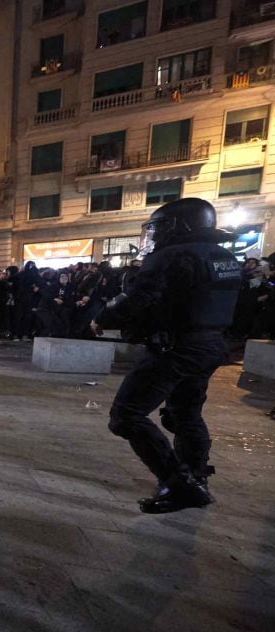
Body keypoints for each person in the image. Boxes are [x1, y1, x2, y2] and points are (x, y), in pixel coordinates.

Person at [92, 198, 240, 514]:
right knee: (186, 413)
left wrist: (102, 318)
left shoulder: (173, 256)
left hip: (176, 347)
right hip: (211, 344)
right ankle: (196, 477)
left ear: (179, 224)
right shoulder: (224, 256)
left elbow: (137, 300)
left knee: (126, 415)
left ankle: (179, 484)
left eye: (160, 227)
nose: (156, 234)